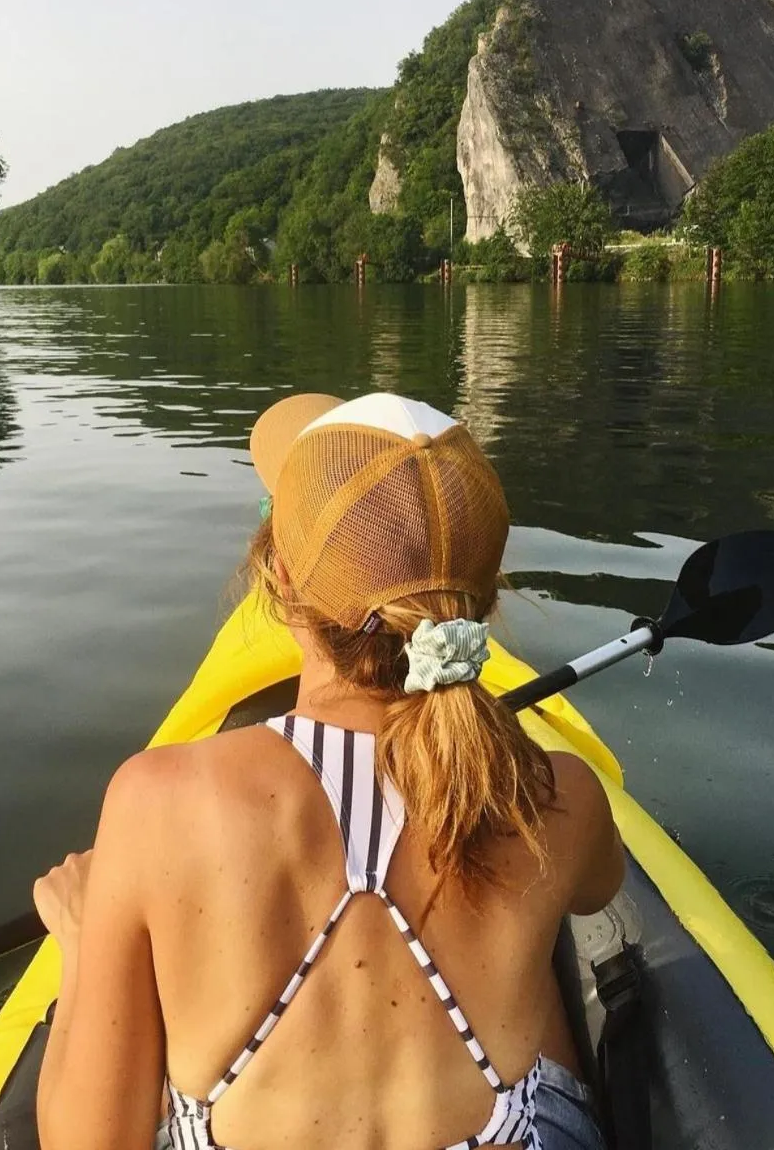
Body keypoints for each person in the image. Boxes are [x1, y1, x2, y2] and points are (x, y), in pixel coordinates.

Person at [33, 392, 624, 1150]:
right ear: (480, 598)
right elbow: (600, 890)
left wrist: (82, 946)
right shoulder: (561, 795)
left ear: (278, 577)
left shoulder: (156, 801)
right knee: (535, 984)